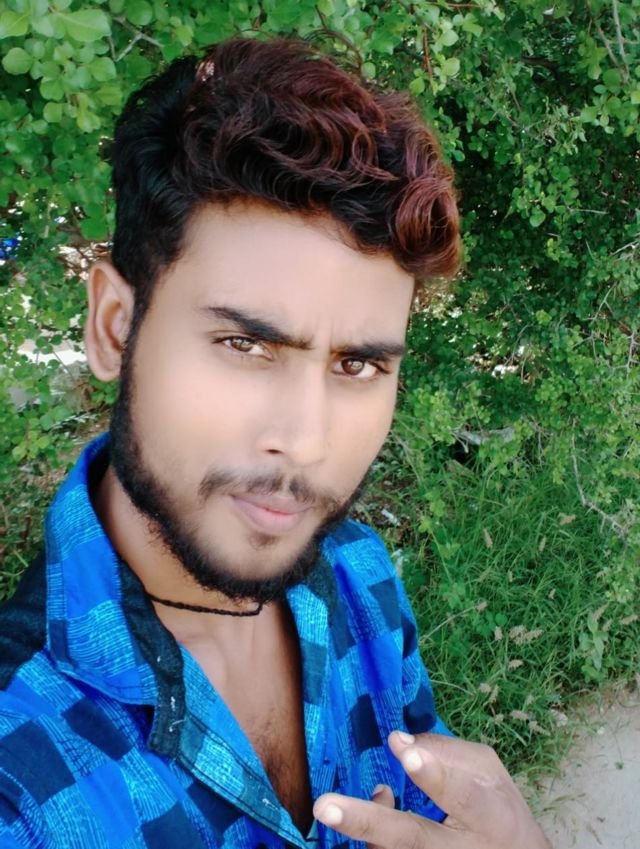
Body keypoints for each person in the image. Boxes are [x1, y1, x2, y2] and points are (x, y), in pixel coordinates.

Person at [0, 37, 550, 849]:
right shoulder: (22, 775)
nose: (304, 441)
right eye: (245, 345)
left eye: (357, 364)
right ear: (115, 327)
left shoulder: (359, 575)